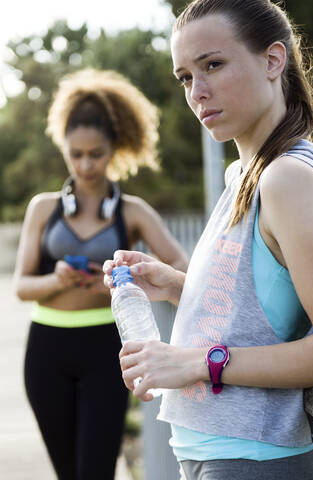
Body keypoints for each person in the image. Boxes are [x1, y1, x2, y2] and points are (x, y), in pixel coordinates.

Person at [103, 1, 313, 478]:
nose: (198, 92)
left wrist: (198, 362)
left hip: (255, 458)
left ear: (272, 60)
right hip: (214, 453)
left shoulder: (287, 177)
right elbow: (264, 313)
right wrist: (179, 286)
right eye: (185, 77)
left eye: (213, 65)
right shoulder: (244, 174)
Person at [13, 68, 188, 480]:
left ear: (115, 150)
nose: (85, 164)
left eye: (96, 153)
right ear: (64, 149)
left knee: (95, 472)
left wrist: (137, 278)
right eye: (76, 154)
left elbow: (182, 270)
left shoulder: (134, 211)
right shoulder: (42, 208)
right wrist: (59, 279)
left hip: (107, 351)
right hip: (46, 351)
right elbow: (21, 287)